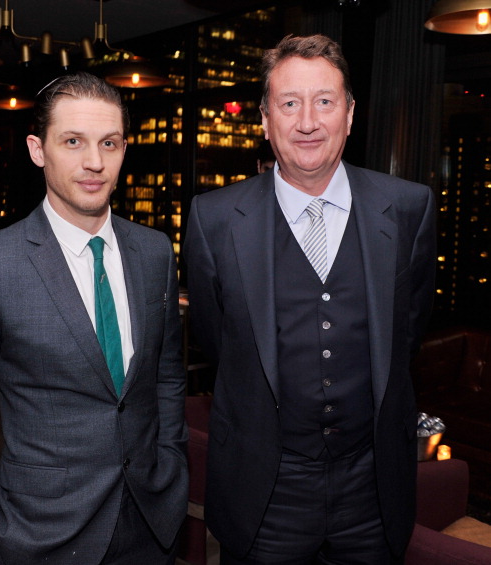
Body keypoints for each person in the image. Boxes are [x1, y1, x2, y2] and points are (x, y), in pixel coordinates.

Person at [184, 34, 436, 564]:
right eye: (289, 103)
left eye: (324, 101)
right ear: (264, 119)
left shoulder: (408, 207)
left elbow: (408, 332)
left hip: (373, 488)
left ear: (349, 114)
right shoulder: (214, 219)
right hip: (265, 489)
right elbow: (219, 341)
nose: (307, 122)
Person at [0, 72, 188, 565]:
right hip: (42, 534)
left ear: (124, 149)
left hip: (152, 522)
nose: (94, 162)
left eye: (109, 143)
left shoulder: (155, 252)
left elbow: (166, 375)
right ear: (37, 150)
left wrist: (171, 463)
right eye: (73, 142)